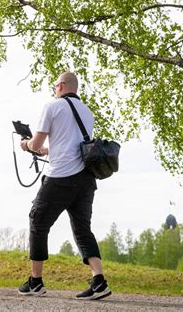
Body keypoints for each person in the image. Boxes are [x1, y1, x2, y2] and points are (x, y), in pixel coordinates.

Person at [17, 71, 111, 300]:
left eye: (54, 85)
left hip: (60, 177)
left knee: (37, 221)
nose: (54, 89)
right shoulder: (87, 112)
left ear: (60, 86)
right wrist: (47, 150)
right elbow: (72, 143)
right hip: (86, 180)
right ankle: (99, 281)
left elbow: (35, 142)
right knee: (82, 229)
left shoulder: (52, 107)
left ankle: (36, 281)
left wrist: (26, 144)